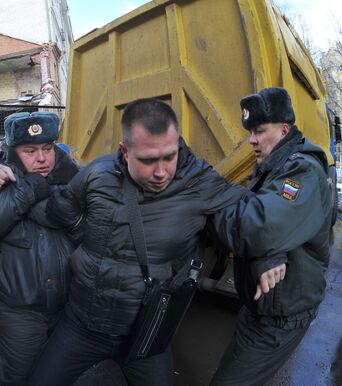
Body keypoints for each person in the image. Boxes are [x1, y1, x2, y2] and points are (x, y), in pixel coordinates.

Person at [26, 98, 244, 386]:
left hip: (147, 336)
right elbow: (56, 210)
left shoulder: (198, 183)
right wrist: (18, 185)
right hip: (81, 326)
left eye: (169, 156)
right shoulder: (97, 174)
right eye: (148, 160)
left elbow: (251, 221)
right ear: (124, 151)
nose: (161, 171)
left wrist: (270, 256)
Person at [209, 87, 333, 385]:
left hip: (281, 317)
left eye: (259, 131)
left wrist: (213, 210)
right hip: (262, 306)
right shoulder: (274, 164)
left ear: (284, 129)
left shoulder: (301, 170)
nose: (251, 139)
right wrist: (267, 252)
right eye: (250, 131)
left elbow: (258, 229)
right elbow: (255, 214)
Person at [0, 112, 79, 386]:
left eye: (47, 148)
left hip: (68, 304)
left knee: (60, 375)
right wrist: (23, 192)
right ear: (13, 151)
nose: (42, 158)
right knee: (21, 376)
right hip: (16, 307)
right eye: (30, 150)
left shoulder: (74, 177)